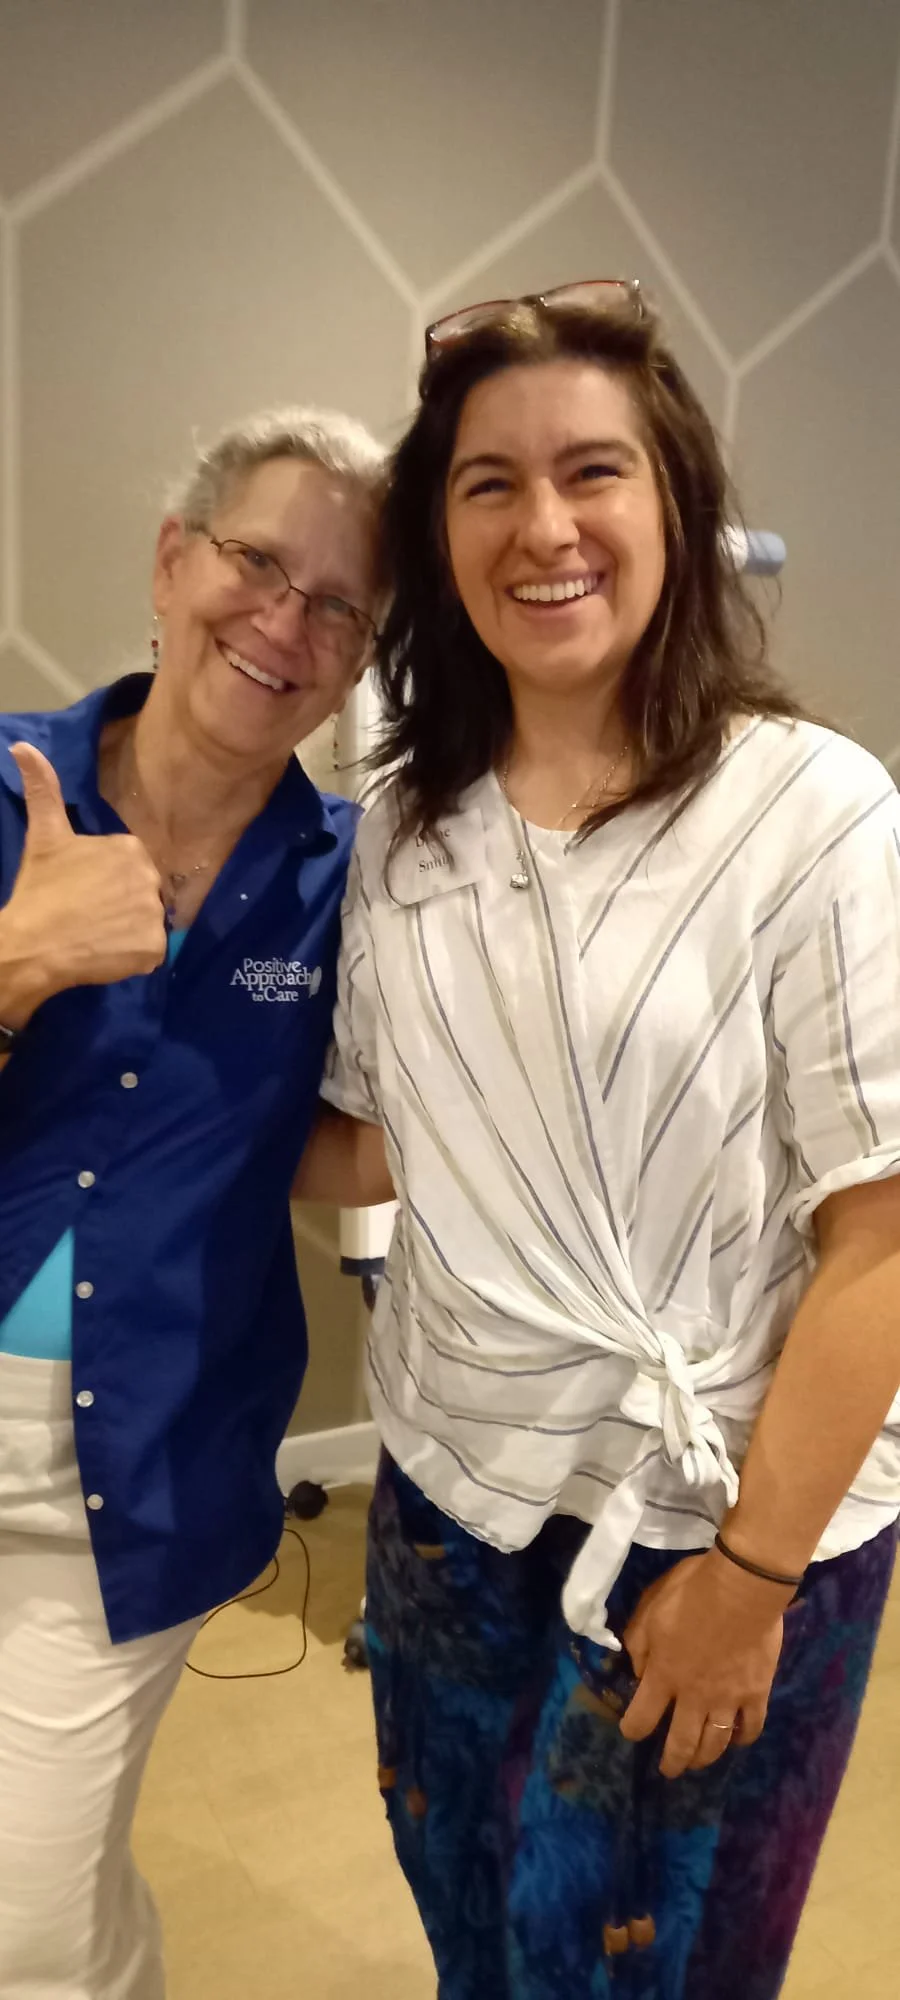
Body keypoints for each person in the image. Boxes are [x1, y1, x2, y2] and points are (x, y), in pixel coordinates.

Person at [297, 282, 900, 1999]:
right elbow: (370, 1144)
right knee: (481, 1936)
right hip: (450, 1503)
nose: (543, 526)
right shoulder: (410, 827)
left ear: (676, 509)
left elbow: (886, 1234)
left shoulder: (812, 815)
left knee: (653, 1973)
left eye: (593, 471)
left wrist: (753, 1574)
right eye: (488, 482)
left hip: (719, 1519)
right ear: (437, 530)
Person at [0, 404, 385, 2000]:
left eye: (344, 604)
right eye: (256, 562)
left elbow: (325, 1148)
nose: (287, 623)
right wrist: (21, 961)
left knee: (23, 1914)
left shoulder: (353, 878)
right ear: (173, 563)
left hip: (128, 1478)